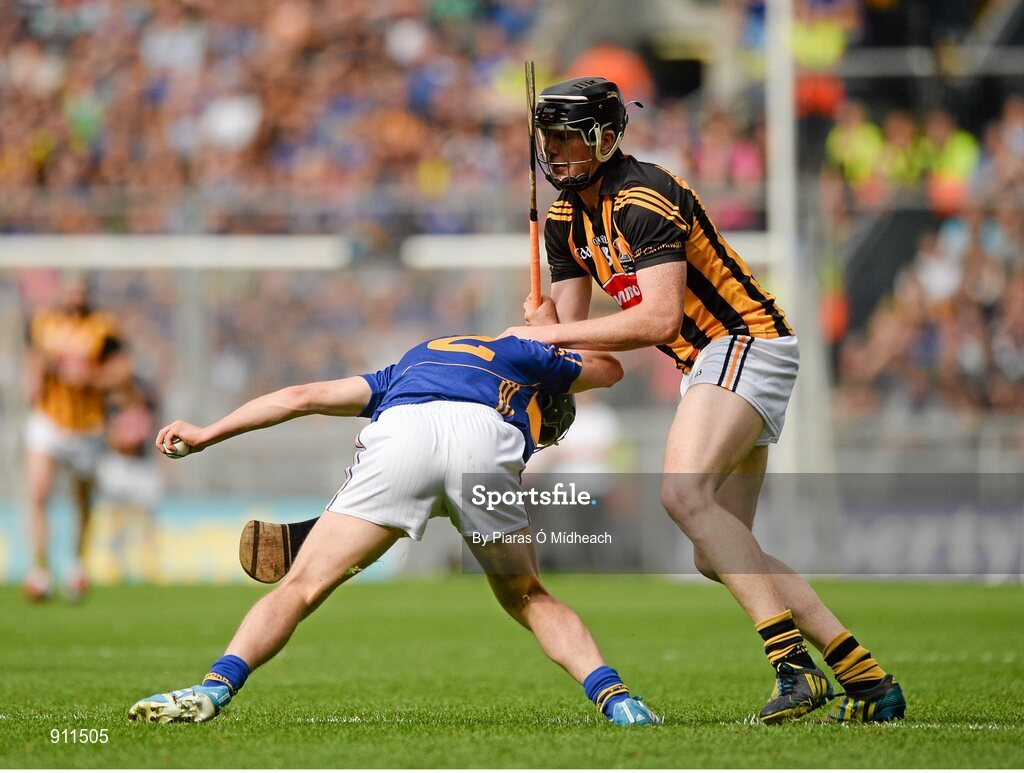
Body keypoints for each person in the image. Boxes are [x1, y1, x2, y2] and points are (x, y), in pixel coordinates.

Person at [503, 77, 905, 724]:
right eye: (543, 139)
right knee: (717, 546)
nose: (550, 151)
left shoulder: (646, 195)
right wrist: (542, 336)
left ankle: (792, 666)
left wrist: (550, 332)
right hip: (711, 364)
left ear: (605, 138)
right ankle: (866, 676)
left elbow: (659, 320)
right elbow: (582, 354)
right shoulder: (562, 222)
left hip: (747, 341)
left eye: (563, 138)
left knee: (682, 494)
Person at [128, 334, 661, 727]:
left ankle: (214, 688)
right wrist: (552, 332)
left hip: (402, 431)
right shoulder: (527, 353)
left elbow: (301, 396)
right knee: (527, 596)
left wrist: (207, 433)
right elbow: (610, 369)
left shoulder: (408, 365)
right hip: (486, 439)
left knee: (300, 587)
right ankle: (620, 703)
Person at [23, 274, 133, 601]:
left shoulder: (102, 326)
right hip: (48, 420)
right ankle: (40, 570)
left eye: (81, 290)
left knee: (81, 500)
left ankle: (75, 564)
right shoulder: (44, 323)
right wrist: (34, 379)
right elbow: (32, 360)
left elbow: (123, 370)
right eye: (71, 289)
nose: (75, 296)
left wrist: (92, 377)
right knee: (38, 492)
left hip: (86, 426)